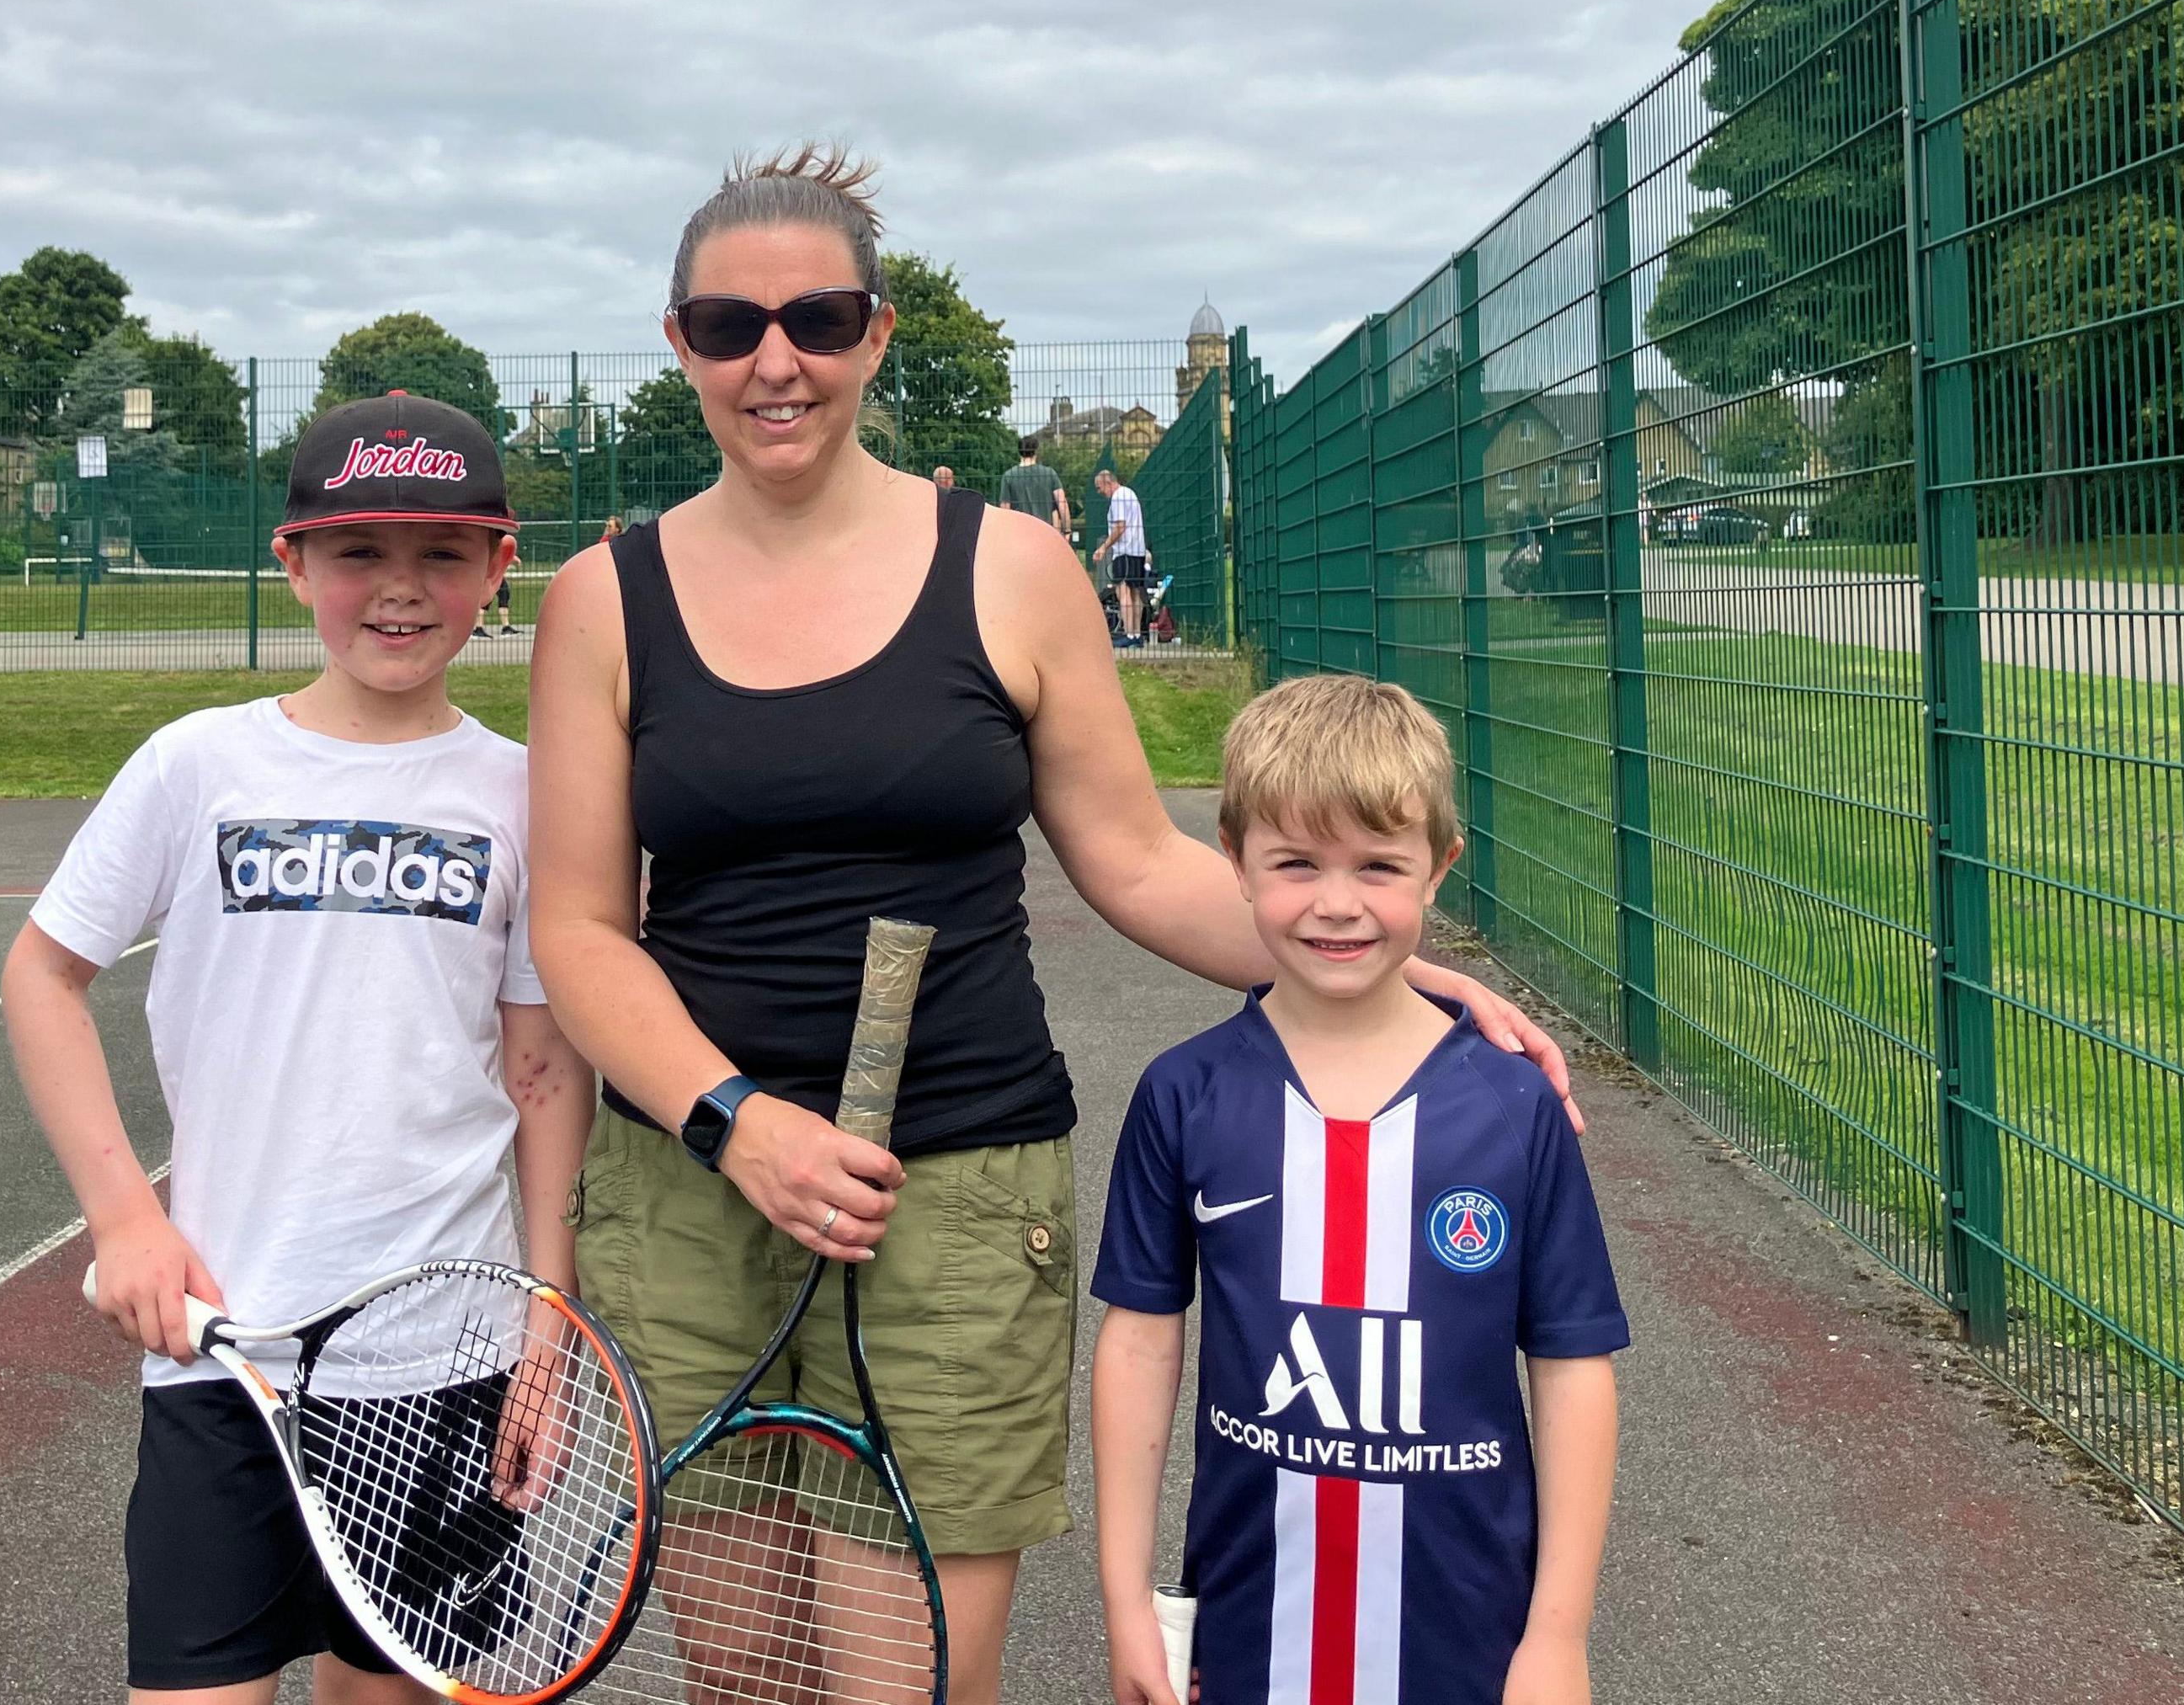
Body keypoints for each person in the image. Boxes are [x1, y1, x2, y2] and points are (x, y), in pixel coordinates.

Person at [525, 144, 1572, 1705]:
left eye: (818, 316)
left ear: (877, 333)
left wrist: (1396, 973)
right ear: (679, 343)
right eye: (728, 325)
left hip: (949, 1187)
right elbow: (582, 930)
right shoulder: (605, 597)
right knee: (743, 1674)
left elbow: (1140, 857)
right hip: (693, 1193)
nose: (776, 359)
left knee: (907, 1677)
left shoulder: (1009, 571)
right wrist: (736, 1121)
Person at [3, 392, 594, 1705]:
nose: (399, 588)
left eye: (442, 554)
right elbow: (42, 974)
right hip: (229, 1348)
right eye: (358, 553)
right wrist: (125, 1222)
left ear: (501, 568)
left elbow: (543, 1070)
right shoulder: (196, 765)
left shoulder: (520, 789)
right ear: (294, 563)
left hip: (447, 1355)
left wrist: (544, 1319)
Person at [1092, 674, 1625, 1705]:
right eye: (1296, 862)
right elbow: (1140, 1336)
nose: (1338, 902)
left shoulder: (1512, 1110)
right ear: (1236, 860)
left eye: (1379, 865)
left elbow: (1572, 1365)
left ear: (1440, 870)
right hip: (1251, 1627)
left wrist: (1558, 1634)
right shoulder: (1185, 1094)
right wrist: (1123, 1598)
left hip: (1465, 1637)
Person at [1095, 470, 1148, 647]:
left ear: (1108, 483)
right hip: (1138, 550)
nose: (1099, 492)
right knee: (1135, 592)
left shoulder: (1118, 497)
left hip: (1124, 550)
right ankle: (1137, 635)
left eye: (1099, 487)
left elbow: (1119, 527)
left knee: (1123, 591)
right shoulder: (1130, 494)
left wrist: (1104, 547)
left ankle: (1129, 633)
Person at [997, 440, 1070, 538]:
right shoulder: (1049, 473)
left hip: (1021, 535)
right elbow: (1062, 503)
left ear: (1019, 452)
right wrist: (1067, 530)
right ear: (1036, 451)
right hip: (1046, 533)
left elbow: (1005, 510)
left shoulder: (1009, 476)